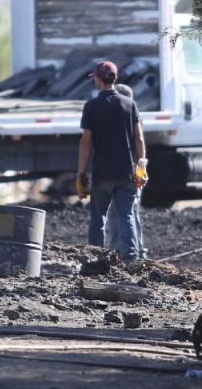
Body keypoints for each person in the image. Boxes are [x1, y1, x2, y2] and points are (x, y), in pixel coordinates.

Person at [76, 61, 147, 262]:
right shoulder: (130, 104)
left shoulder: (91, 106)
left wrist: (81, 174)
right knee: (127, 215)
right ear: (114, 79)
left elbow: (85, 142)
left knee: (98, 218)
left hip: (102, 173)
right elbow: (139, 138)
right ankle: (131, 259)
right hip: (126, 172)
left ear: (98, 79)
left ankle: (94, 259)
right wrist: (141, 166)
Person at [103, 83, 146, 258]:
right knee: (128, 212)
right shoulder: (133, 115)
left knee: (123, 213)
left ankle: (122, 252)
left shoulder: (122, 117)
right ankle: (131, 251)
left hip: (126, 170)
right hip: (133, 170)